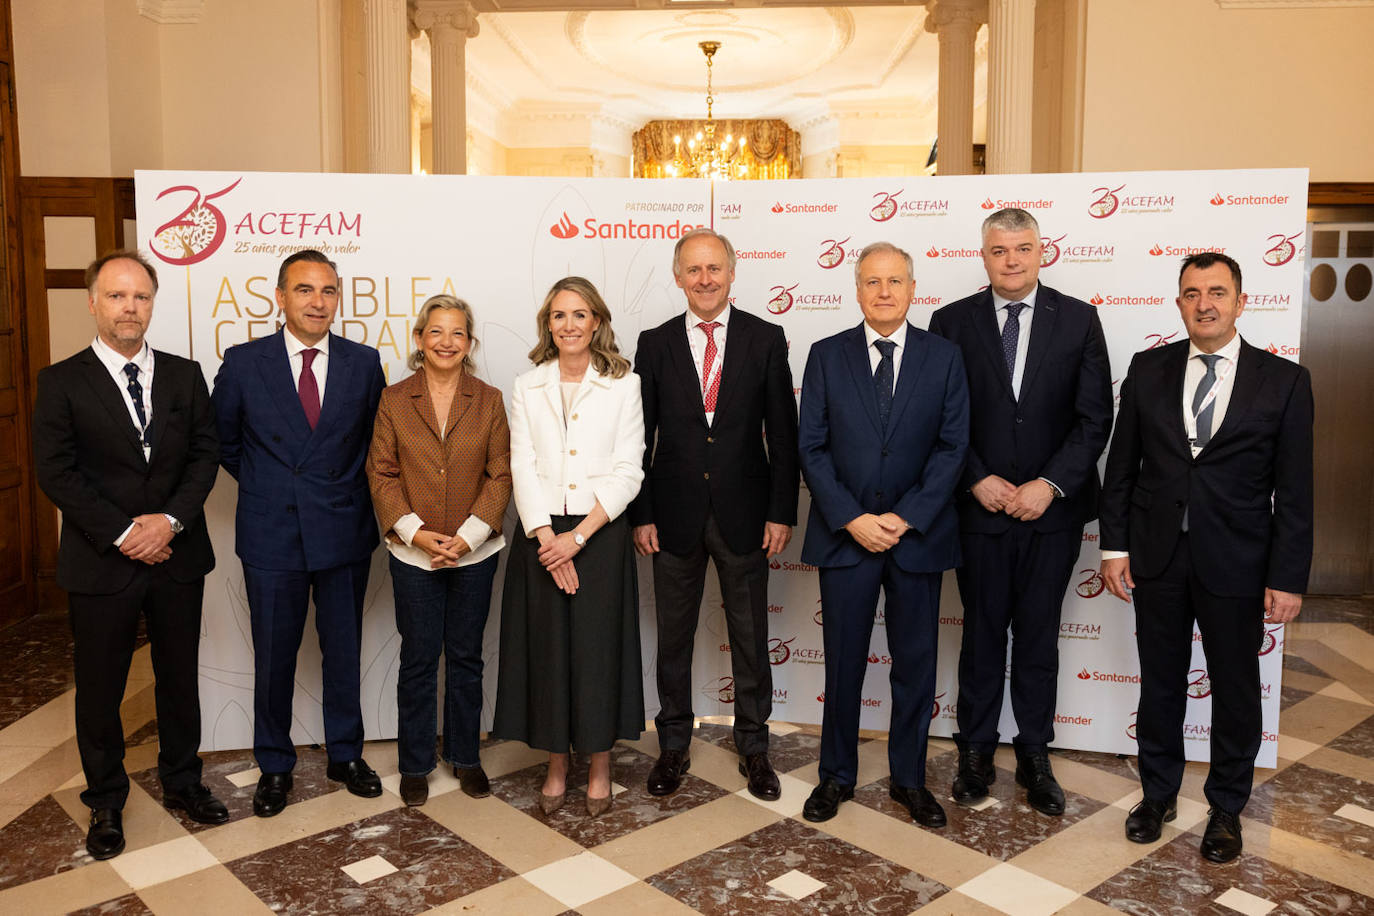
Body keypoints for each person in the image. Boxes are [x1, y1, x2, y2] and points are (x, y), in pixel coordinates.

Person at [1099, 252, 1313, 863]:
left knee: (1236, 687)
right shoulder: (1148, 369)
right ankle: (1158, 794)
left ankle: (1226, 806)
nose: (1205, 303)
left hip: (1240, 562)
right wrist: (1114, 546)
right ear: (1180, 303)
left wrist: (1287, 576)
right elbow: (1121, 468)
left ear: (1241, 302)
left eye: (1217, 292)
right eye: (1192, 293)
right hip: (1157, 556)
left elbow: (1296, 490)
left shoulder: (1284, 381)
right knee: (1161, 682)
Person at [33, 250, 227, 859]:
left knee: (178, 680)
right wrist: (125, 534)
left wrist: (168, 523)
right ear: (93, 302)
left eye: (140, 297)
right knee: (100, 689)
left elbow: (204, 456)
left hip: (177, 557)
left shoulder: (184, 374)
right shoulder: (60, 380)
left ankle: (183, 782)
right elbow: (56, 473)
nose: (129, 308)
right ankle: (107, 802)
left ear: (152, 304)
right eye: (117, 296)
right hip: (101, 562)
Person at [928, 207, 1113, 815]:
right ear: (983, 256)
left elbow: (1094, 421)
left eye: (1023, 249)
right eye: (1000, 250)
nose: (1012, 260)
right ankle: (975, 752)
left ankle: (1035, 753)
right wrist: (976, 478)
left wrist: (1050, 484)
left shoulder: (1080, 320)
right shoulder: (949, 322)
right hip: (978, 513)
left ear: (1042, 252)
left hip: (1051, 516)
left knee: (1037, 636)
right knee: (981, 637)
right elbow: (940, 417)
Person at [797, 242, 969, 826]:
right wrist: (852, 519)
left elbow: (953, 447)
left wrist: (906, 516)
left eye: (895, 280)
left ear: (913, 288)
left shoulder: (944, 357)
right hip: (846, 536)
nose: (885, 291)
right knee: (843, 663)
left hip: (916, 537)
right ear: (857, 289)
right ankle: (835, 776)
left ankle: (910, 780)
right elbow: (811, 447)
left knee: (915, 663)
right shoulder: (825, 355)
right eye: (872, 281)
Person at [212, 249, 387, 817]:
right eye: (305, 290)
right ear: (280, 297)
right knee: (274, 656)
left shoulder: (364, 363)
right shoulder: (243, 363)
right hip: (272, 534)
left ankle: (345, 754)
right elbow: (225, 445)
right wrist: (274, 488)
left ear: (339, 299)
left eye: (328, 291)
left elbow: (372, 447)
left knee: (343, 651)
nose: (318, 302)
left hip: (342, 528)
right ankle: (275, 764)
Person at [630, 228, 799, 802]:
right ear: (678, 277)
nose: (705, 280)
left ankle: (755, 748)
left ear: (732, 273)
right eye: (693, 270)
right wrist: (641, 513)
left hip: (747, 514)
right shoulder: (653, 343)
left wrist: (781, 512)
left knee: (752, 637)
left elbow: (783, 433)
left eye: (714, 269)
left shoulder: (765, 337)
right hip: (671, 515)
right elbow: (639, 438)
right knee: (672, 639)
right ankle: (672, 744)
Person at [493, 277, 645, 817]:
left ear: (598, 322)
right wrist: (546, 538)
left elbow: (630, 470)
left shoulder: (624, 384)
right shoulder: (526, 384)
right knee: (550, 654)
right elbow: (521, 464)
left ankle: (600, 765)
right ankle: (558, 763)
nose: (570, 325)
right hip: (539, 535)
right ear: (547, 325)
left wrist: (576, 539)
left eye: (580, 315)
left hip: (599, 535)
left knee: (598, 653)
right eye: (559, 316)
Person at [366, 295, 512, 807]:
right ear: (419, 339)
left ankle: (466, 757)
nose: (446, 342)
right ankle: (414, 764)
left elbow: (501, 474)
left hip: (475, 553)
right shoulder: (394, 400)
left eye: (457, 333)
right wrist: (416, 533)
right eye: (436, 331)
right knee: (419, 659)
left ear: (470, 343)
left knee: (467, 657)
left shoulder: (489, 399)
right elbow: (381, 472)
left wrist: (468, 537)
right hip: (414, 555)